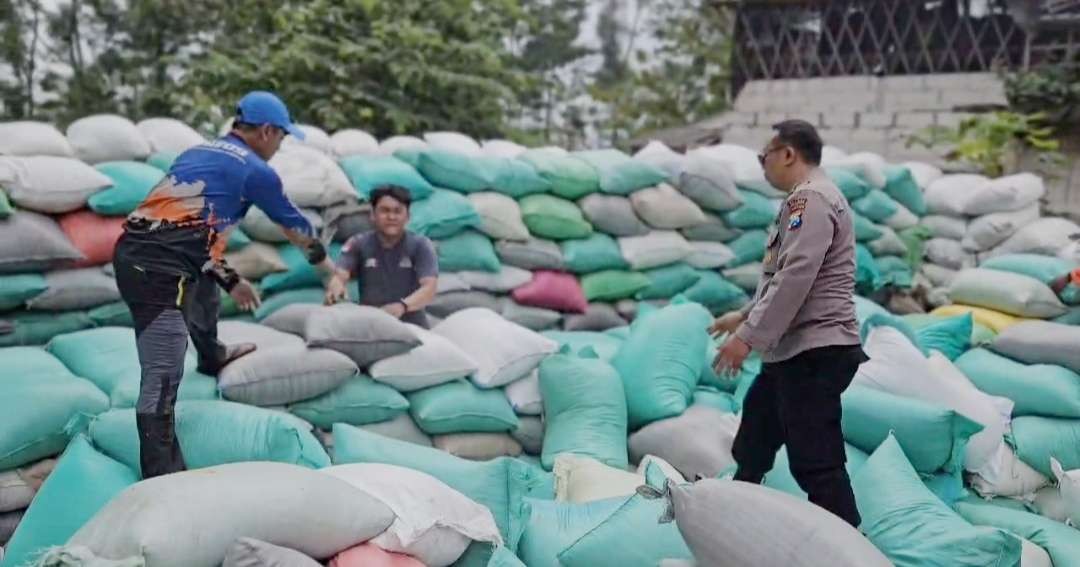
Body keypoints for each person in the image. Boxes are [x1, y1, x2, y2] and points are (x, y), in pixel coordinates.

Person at [113, 91, 336, 478]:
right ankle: (162, 475)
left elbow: (192, 237)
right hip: (157, 271)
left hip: (142, 253)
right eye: (282, 138)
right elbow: (298, 228)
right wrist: (330, 272)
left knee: (202, 285)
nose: (279, 146)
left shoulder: (197, 153)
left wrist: (231, 281)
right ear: (267, 131)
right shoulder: (256, 171)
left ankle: (212, 353)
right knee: (162, 374)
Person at [709, 119, 867, 527]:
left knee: (815, 458)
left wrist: (747, 338)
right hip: (795, 351)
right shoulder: (810, 198)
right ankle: (738, 504)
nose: (763, 166)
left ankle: (848, 543)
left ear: (788, 154)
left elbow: (795, 276)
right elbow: (786, 278)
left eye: (765, 157)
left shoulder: (810, 200)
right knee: (757, 429)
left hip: (816, 351)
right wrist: (743, 315)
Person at [325, 185, 438, 327]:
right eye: (385, 211)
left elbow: (429, 288)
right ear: (372, 215)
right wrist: (336, 287)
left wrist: (402, 306)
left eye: (398, 211)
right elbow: (340, 275)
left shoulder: (420, 245)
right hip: (371, 326)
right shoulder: (358, 243)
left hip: (413, 327)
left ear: (408, 216)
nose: (391, 217)